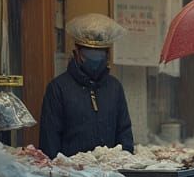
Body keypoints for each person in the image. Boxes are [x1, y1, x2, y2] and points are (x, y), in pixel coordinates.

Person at [39, 14, 133, 159]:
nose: (94, 58)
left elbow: (124, 134)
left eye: (99, 53)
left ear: (107, 54)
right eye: (88, 53)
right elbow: (49, 141)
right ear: (76, 52)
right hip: (72, 175)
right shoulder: (58, 88)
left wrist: (124, 165)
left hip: (111, 173)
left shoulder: (114, 88)